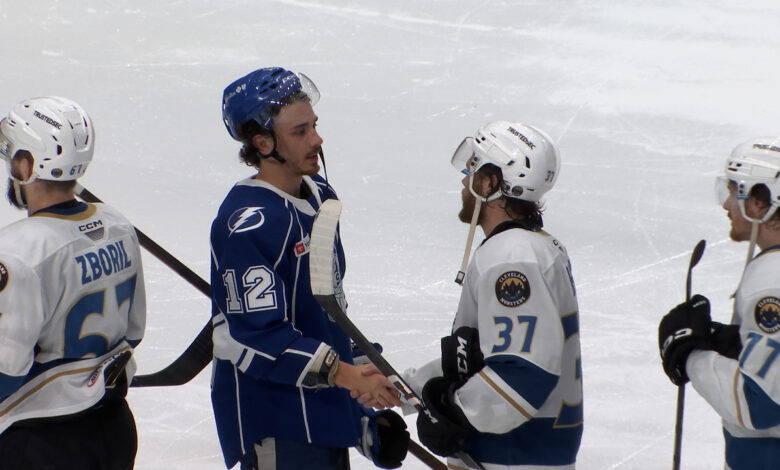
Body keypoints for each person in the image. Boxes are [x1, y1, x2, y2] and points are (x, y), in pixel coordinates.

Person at [210, 66, 408, 470]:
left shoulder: (319, 196)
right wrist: (348, 376)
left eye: (314, 126)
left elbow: (326, 311)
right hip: (279, 424)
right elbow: (259, 338)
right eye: (300, 131)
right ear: (263, 142)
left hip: (323, 416)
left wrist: (362, 390)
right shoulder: (249, 225)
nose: (317, 139)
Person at [401, 121, 583, 469]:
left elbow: (522, 374)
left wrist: (453, 410)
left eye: (472, 169)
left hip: (511, 456)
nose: (464, 181)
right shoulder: (532, 247)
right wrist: (411, 387)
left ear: (490, 183)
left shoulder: (512, 257)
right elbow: (483, 352)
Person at [0, 96, 146, 469]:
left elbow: (6, 370)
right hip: (114, 427)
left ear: (27, 165)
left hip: (41, 442)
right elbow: (133, 332)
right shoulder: (118, 225)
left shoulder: (17, 251)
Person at [658, 137, 780, 469]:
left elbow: (761, 403)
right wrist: (735, 345)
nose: (726, 204)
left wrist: (691, 355)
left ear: (760, 202)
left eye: (734, 190)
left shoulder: (771, 280)